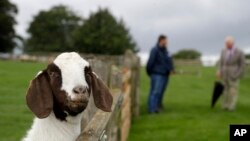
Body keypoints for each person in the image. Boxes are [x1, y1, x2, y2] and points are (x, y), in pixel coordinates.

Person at [146, 35, 174, 113]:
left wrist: (171, 69)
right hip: (157, 74)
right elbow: (150, 62)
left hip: (165, 74)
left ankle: (157, 107)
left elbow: (169, 62)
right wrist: (150, 72)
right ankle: (151, 109)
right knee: (155, 92)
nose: (167, 42)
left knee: (160, 92)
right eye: (165, 40)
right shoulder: (155, 50)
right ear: (161, 40)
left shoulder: (166, 51)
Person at [217, 36, 245, 111]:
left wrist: (237, 74)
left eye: (228, 43)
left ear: (232, 43)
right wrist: (219, 71)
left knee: (232, 90)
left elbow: (242, 65)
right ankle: (225, 105)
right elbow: (221, 63)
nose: (226, 44)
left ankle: (231, 106)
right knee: (225, 90)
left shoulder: (239, 52)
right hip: (224, 74)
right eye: (225, 43)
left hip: (233, 74)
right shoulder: (223, 51)